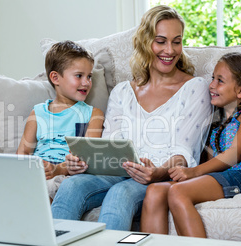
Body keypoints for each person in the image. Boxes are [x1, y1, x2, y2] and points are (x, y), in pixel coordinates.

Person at [51, 5, 213, 230]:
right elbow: (109, 146)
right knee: (71, 186)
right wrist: (81, 164)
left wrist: (157, 173)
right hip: (117, 172)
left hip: (158, 176)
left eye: (177, 41)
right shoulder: (122, 91)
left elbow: (184, 152)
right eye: (161, 41)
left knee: (122, 193)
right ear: (146, 42)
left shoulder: (195, 88)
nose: (170, 50)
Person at [140, 52, 241, 237]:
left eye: (220, 80)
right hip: (224, 176)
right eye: (213, 78)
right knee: (155, 190)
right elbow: (212, 165)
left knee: (178, 192)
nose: (211, 85)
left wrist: (193, 173)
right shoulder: (216, 121)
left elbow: (236, 153)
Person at [16, 41, 104, 182]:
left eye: (89, 76)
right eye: (79, 75)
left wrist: (59, 169)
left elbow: (87, 158)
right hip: (37, 175)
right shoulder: (37, 113)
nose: (86, 82)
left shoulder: (93, 115)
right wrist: (35, 170)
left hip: (67, 177)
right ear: (55, 78)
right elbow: (23, 152)